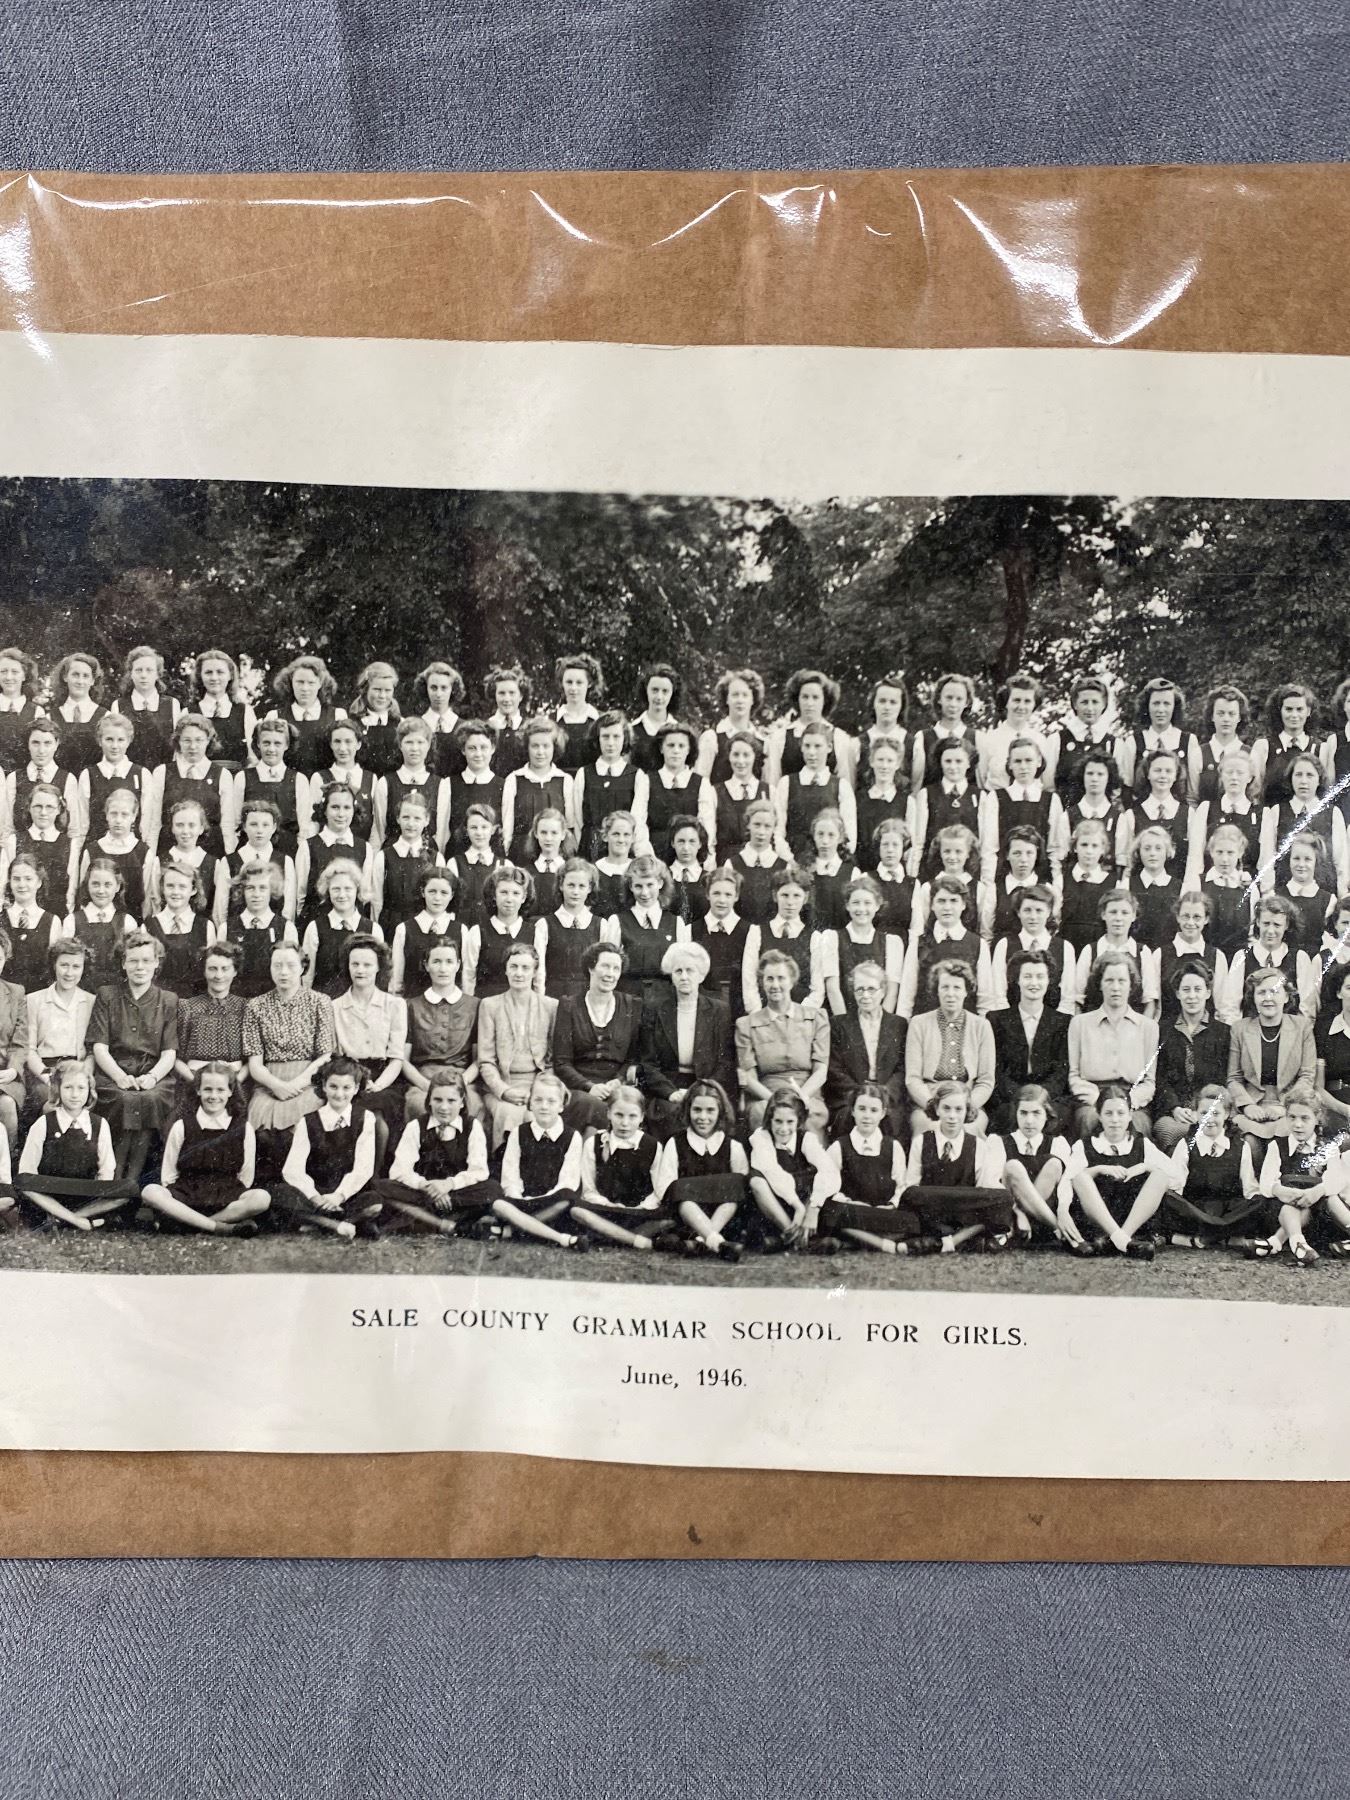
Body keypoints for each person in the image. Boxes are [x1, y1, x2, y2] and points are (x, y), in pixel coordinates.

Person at [139, 1063, 270, 1235]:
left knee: (261, 1198)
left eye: (220, 1090)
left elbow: (246, 1176)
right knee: (150, 1191)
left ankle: (190, 1223)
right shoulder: (182, 1126)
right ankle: (218, 1227)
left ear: (230, 1091)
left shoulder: (243, 1128)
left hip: (226, 1195)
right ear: (198, 1090)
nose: (214, 1096)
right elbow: (168, 1175)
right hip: (187, 1195)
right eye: (208, 1089)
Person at [89, 929, 178, 1181]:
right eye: (134, 960)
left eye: (147, 960)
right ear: (123, 963)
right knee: (125, 1099)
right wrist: (119, 1076)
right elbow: (99, 1047)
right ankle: (114, 1178)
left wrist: (152, 1077)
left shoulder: (168, 1000)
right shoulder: (107, 995)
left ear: (156, 963)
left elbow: (169, 1052)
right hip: (113, 1073)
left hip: (153, 1075)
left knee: (149, 1098)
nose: (140, 967)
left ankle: (131, 1181)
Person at [370, 1069, 501, 1236]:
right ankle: (445, 1224)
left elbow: (478, 1170)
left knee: (492, 1189)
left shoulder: (472, 1126)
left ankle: (422, 1219)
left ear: (462, 1102)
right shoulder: (416, 1126)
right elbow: (399, 1171)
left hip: (455, 1192)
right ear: (429, 1100)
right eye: (437, 1099)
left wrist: (448, 1185)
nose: (444, 1107)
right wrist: (428, 1187)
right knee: (380, 1186)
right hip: (423, 1191)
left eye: (451, 1100)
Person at [242, 940, 336, 1173]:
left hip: (308, 1080)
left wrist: (295, 1084)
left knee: (304, 1126)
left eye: (291, 966)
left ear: (303, 967)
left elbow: (325, 1056)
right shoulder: (256, 1006)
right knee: (261, 1126)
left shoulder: (320, 1002)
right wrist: (277, 1085)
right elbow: (255, 1063)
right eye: (277, 965)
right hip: (269, 1082)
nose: (283, 972)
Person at [14, 1058, 139, 1230]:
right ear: (58, 1089)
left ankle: (65, 1218)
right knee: (21, 1180)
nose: (74, 1095)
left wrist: (101, 1194)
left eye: (81, 1088)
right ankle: (78, 1221)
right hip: (50, 1191)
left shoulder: (99, 1124)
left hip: (85, 1192)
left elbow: (106, 1170)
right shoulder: (44, 1123)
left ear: (89, 1090)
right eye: (68, 1087)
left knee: (130, 1188)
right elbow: (27, 1169)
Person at [270, 1056, 382, 1239]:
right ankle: (336, 1225)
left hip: (346, 1193)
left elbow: (363, 1168)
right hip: (316, 1192)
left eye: (346, 1088)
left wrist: (339, 1196)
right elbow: (292, 1170)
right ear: (324, 1086)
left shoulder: (365, 1118)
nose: (339, 1094)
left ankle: (320, 1223)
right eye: (333, 1087)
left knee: (374, 1203)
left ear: (356, 1088)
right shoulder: (308, 1121)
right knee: (279, 1194)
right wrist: (315, 1198)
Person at [900, 1080, 1012, 1253]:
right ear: (937, 1108)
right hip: (932, 1210)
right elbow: (912, 1186)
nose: (952, 1116)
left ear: (967, 1111)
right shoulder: (921, 1141)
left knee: (1003, 1197)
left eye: (959, 1109)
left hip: (965, 1213)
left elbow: (983, 1189)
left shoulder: (978, 1145)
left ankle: (946, 1241)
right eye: (946, 1108)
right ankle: (964, 1240)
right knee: (911, 1194)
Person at [1065, 1083, 1175, 1258]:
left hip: (1131, 1221)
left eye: (1121, 1113)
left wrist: (1145, 1167)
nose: (1115, 1120)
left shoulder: (1141, 1144)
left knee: (1160, 1175)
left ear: (1130, 1115)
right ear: (1099, 1116)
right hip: (1098, 1224)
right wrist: (1099, 1169)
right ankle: (1123, 1241)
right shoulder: (1084, 1145)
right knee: (1080, 1176)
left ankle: (1120, 1238)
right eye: (1108, 1113)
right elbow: (1068, 1182)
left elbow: (1176, 1176)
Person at [636, 941, 735, 1130]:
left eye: (690, 970)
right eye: (678, 971)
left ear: (701, 975)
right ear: (671, 976)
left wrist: (703, 1090)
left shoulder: (719, 1011)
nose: (684, 977)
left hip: (707, 1086)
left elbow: (725, 1063)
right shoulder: (656, 1010)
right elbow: (648, 1064)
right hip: (669, 1087)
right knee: (671, 1113)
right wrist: (670, 1093)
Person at [818, 1082, 926, 1255]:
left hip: (882, 1213)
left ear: (882, 1113)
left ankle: (853, 1240)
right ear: (852, 1111)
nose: (867, 1116)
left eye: (874, 1110)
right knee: (830, 1212)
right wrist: (850, 1203)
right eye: (862, 1109)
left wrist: (891, 1205)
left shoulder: (893, 1146)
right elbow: (829, 1188)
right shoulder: (839, 1146)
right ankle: (883, 1243)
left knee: (913, 1220)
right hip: (853, 1210)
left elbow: (901, 1186)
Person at [1153, 1083, 1264, 1249]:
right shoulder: (1186, 1144)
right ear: (1195, 1114)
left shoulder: (1241, 1146)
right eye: (1204, 1113)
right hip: (1196, 1211)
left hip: (1228, 1211)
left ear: (1226, 1114)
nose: (1209, 1120)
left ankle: (1201, 1238)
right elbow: (1176, 1187)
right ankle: (1224, 1237)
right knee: (1168, 1198)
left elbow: (1250, 1188)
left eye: (1215, 1113)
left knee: (1260, 1202)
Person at [652, 1078, 748, 1260]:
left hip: (724, 1218)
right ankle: (716, 1242)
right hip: (687, 1218)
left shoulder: (732, 1146)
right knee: (680, 1192)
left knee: (735, 1186)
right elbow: (664, 1187)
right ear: (688, 1110)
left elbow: (742, 1191)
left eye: (710, 1110)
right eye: (697, 1110)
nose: (703, 1117)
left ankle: (703, 1241)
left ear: (721, 1112)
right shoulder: (675, 1143)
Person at [736, 948, 830, 1133]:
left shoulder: (816, 1018)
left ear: (792, 980)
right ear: (762, 982)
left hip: (806, 1094)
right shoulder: (746, 1024)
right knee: (761, 1113)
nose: (775, 985)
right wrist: (776, 1103)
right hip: (767, 1097)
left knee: (812, 1114)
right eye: (769, 979)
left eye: (781, 978)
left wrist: (799, 1099)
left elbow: (821, 1071)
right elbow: (749, 1078)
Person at [1066, 951, 1158, 1137]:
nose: (1115, 987)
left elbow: (1149, 1082)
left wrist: (1127, 1102)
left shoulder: (1148, 1027)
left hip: (1132, 1098)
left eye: (1122, 981)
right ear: (1100, 984)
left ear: (1131, 985)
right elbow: (1074, 1076)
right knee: (1089, 1119)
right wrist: (1099, 1100)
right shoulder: (1080, 1023)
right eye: (1109, 980)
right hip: (1093, 1097)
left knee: (1138, 1124)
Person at [1247, 1085, 1342, 1266]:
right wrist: (1281, 1191)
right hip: (1283, 1211)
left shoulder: (1328, 1147)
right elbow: (1266, 1183)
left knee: (1314, 1202)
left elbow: (1336, 1180)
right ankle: (1298, 1243)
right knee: (1289, 1204)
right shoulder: (1277, 1146)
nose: (1297, 1124)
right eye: (1292, 1117)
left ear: (1317, 1118)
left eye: (1305, 1118)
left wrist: (1316, 1191)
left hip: (1315, 1215)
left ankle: (1276, 1242)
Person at [493, 1071, 588, 1249]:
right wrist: (518, 1197)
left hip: (552, 1203)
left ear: (561, 1106)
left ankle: (514, 1230)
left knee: (568, 1197)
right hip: (521, 1201)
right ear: (530, 1103)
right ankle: (549, 1234)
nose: (544, 1106)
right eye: (538, 1100)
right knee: (498, 1204)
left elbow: (568, 1181)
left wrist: (545, 1199)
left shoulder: (572, 1136)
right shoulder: (518, 1133)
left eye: (551, 1101)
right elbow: (510, 1174)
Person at [552, 941, 642, 1130]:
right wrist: (589, 1086)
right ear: (591, 968)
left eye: (616, 968)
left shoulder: (632, 1005)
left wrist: (618, 1081)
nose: (610, 974)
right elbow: (561, 1062)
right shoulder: (569, 1005)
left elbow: (634, 1058)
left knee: (624, 1105)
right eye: (605, 966)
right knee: (588, 1104)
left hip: (617, 1085)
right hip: (579, 1087)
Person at [476, 941, 557, 1147]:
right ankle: (505, 1162)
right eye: (513, 967)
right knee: (508, 1113)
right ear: (505, 970)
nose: (519, 973)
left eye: (525, 968)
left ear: (535, 972)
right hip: (503, 1084)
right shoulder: (490, 1005)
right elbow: (486, 1060)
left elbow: (552, 1060)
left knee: (536, 1115)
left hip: (539, 1084)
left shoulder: (550, 1006)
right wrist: (504, 1091)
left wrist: (539, 1091)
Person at [570, 1085, 671, 1250]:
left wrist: (641, 1207)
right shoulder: (594, 1143)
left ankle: (609, 1236)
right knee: (577, 1211)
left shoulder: (652, 1146)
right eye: (619, 1115)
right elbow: (589, 1189)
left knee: (669, 1218)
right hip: (604, 1210)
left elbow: (659, 1190)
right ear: (608, 1113)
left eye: (632, 1116)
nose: (625, 1123)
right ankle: (636, 1240)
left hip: (640, 1211)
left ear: (642, 1117)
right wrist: (609, 1205)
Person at [332, 934, 407, 1152]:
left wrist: (378, 1085)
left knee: (378, 1125)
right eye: (355, 964)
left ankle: (376, 1172)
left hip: (384, 1079)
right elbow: (334, 1054)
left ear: (378, 968)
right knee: (360, 1122)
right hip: (347, 1076)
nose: (360, 970)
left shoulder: (395, 1005)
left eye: (367, 965)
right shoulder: (335, 1006)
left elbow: (396, 1058)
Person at [904, 957, 994, 1135]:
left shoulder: (981, 1026)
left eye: (957, 987)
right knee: (929, 1130)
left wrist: (968, 1106)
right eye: (945, 987)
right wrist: (933, 1105)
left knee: (971, 1130)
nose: (950, 993)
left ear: (966, 991)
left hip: (967, 1102)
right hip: (929, 1102)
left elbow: (986, 1080)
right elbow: (912, 1079)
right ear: (937, 990)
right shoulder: (919, 1023)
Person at [747, 1085, 841, 1251]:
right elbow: (772, 1172)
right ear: (769, 1119)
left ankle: (787, 1241)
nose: (784, 1129)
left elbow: (830, 1171)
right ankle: (797, 1239)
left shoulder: (807, 1139)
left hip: (802, 1207)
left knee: (822, 1180)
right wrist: (797, 1206)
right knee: (757, 1182)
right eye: (778, 1121)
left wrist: (813, 1207)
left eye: (790, 1122)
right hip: (775, 1208)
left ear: (799, 1121)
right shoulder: (761, 1138)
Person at [1226, 967, 1317, 1139]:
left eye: (1274, 992)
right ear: (1253, 998)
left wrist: (1286, 1106)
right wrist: (1247, 1106)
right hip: (1251, 1106)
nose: (1268, 998)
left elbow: (1307, 1076)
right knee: (1249, 1140)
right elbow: (1234, 1078)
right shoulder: (1240, 1029)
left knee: (1286, 1137)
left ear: (1286, 996)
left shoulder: (1302, 1027)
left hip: (1290, 1107)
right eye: (1261, 992)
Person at [1151, 962, 1232, 1151]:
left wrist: (1202, 1110)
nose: (1192, 996)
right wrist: (1175, 1108)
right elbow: (1159, 1077)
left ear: (1208, 993)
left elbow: (1224, 1078)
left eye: (1198, 989)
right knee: (1170, 1132)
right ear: (1178, 993)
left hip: (1212, 1111)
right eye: (1186, 990)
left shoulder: (1223, 1032)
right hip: (1173, 1112)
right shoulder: (1163, 1031)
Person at [989, 951, 1070, 1132]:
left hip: (1049, 1098)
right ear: (1017, 980)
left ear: (1049, 980)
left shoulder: (1063, 1021)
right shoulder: (996, 1020)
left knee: (1056, 1118)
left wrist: (1041, 1096)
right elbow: (995, 1068)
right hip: (1009, 1098)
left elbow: (1061, 1071)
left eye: (1040, 977)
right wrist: (1021, 1096)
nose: (1034, 983)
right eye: (1027, 976)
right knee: (1006, 1116)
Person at [823, 960, 907, 1136]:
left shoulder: (898, 1025)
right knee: (848, 1118)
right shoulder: (839, 1025)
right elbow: (834, 1069)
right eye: (859, 989)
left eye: (871, 989)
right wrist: (859, 1094)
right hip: (850, 1098)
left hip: (887, 1098)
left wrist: (884, 1094)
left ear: (883, 991)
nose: (865, 995)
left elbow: (902, 1068)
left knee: (892, 1122)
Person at [400, 938, 481, 1118]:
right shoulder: (411, 1006)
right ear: (426, 965)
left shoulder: (475, 1005)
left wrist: (461, 1082)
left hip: (462, 1080)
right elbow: (403, 1060)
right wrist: (425, 1085)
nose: (443, 968)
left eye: (449, 962)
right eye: (436, 961)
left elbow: (478, 1060)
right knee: (419, 1106)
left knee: (473, 1107)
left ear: (458, 965)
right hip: (424, 1082)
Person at [998, 1084, 1080, 1248]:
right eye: (1023, 1113)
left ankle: (1032, 1223)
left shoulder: (1058, 1143)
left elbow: (1066, 1183)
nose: (1029, 1121)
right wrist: (1016, 1211)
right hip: (1011, 1216)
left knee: (1054, 1164)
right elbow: (992, 1184)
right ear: (1015, 1114)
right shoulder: (999, 1142)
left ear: (1047, 1115)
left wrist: (1063, 1210)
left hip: (1040, 1222)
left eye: (1036, 1113)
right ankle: (1061, 1232)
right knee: (1013, 1167)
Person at [24, 936, 95, 1116]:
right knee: (51, 1103)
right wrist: (48, 1078)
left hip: (78, 1069)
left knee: (84, 1100)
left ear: (83, 968)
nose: (69, 973)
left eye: (76, 966)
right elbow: (29, 1050)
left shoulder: (90, 1001)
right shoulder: (34, 1000)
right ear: (54, 965)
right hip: (44, 1070)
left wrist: (83, 1075)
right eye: (64, 965)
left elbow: (92, 1051)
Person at [150, 712, 232, 857]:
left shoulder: (222, 775)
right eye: (187, 740)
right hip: (170, 852)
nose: (193, 746)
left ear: (208, 741)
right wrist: (151, 855)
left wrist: (229, 857)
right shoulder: (162, 772)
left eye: (199, 740)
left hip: (210, 853)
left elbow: (227, 824)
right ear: (178, 741)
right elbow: (154, 822)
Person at [612, 855, 689, 1007]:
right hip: (628, 1000)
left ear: (660, 883)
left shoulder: (676, 923)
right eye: (638, 886)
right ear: (630, 886)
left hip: (666, 1001)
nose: (645, 893)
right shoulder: (617, 922)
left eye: (650, 885)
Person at [573, 711, 648, 861]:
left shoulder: (637, 776)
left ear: (625, 738)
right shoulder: (584, 774)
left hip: (623, 849)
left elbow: (637, 821)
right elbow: (578, 819)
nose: (611, 743)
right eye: (605, 736)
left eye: (616, 736)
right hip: (591, 848)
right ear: (597, 739)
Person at [300, 857, 379, 998]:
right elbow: (307, 978)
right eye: (336, 889)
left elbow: (377, 979)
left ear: (357, 890)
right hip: (324, 1005)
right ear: (328, 891)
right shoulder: (315, 928)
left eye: (348, 889)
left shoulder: (373, 930)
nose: (342, 895)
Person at [500, 716, 573, 861]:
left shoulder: (565, 780)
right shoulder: (514, 779)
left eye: (546, 746)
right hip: (521, 855)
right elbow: (507, 825)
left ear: (554, 747)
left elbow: (570, 825)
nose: (540, 752)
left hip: (555, 855)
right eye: (535, 746)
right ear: (526, 747)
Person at [175, 940, 248, 1083]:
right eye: (212, 969)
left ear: (235, 971)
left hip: (236, 1081)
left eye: (225, 969)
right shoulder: (187, 1007)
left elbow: (253, 1058)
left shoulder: (246, 1008)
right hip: (193, 1081)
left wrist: (234, 1084)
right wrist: (196, 1082)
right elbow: (175, 1057)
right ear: (204, 971)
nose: (219, 975)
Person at [375, 793, 445, 943]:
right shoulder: (384, 857)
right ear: (398, 818)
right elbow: (376, 902)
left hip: (423, 925)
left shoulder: (436, 858)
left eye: (417, 818)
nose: (411, 824)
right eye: (406, 817)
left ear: (426, 820)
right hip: (391, 925)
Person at [266, 652, 346, 779]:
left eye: (311, 683)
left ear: (320, 684)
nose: (305, 688)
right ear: (291, 683)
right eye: (300, 682)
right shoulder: (275, 716)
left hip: (326, 783)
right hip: (288, 783)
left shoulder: (338, 715)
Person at [461, 862, 536, 998]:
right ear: (494, 895)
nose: (509, 899)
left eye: (516, 893)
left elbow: (539, 978)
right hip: (487, 1004)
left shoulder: (534, 933)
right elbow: (468, 976)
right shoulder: (478, 932)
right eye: (503, 892)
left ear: (524, 897)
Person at [387, 863, 457, 997]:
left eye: (444, 893)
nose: (437, 898)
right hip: (413, 1003)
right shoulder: (404, 930)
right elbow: (396, 980)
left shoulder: (461, 930)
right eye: (432, 891)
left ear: (452, 895)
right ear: (422, 892)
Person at [2, 853, 64, 994]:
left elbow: (55, 969)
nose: (22, 885)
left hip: (38, 998)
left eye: (28, 879)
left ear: (39, 882)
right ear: (10, 882)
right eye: (16, 879)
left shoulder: (52, 922)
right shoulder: (1, 919)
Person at [112, 645, 180, 772]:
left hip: (165, 774)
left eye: (149, 670)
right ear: (131, 674)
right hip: (131, 774)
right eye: (138, 670)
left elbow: (178, 748)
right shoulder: (119, 705)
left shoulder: (172, 704)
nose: (143, 675)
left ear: (157, 674)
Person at [190, 648, 256, 772]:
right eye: (208, 672)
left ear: (230, 675)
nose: (214, 678)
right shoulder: (189, 712)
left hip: (236, 778)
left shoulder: (244, 712)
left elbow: (253, 758)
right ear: (200, 676)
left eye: (220, 672)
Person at [697, 667, 767, 785]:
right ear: (726, 699)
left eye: (745, 695)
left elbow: (766, 786)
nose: (740, 700)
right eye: (735, 695)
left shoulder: (762, 742)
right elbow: (700, 783)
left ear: (753, 700)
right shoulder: (712, 738)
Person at [409, 660, 466, 781]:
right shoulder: (416, 726)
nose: (438, 694)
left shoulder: (464, 728)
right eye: (433, 688)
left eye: (444, 688)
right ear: (426, 689)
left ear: (452, 689)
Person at [348, 660, 402, 781]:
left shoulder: (400, 724)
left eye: (387, 690)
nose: (382, 696)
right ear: (366, 689)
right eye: (377, 689)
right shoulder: (353, 724)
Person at [552, 653, 603, 775]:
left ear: (589, 684)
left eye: (579, 682)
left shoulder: (600, 721)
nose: (573, 688)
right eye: (569, 682)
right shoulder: (551, 722)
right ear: (562, 683)